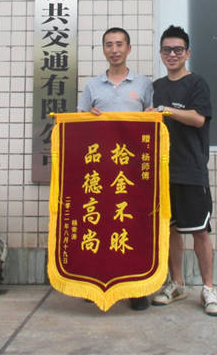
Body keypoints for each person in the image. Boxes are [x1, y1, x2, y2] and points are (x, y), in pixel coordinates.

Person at [148, 25, 217, 317]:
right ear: (160, 53)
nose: (172, 54)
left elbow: (198, 118)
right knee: (170, 231)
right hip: (161, 172)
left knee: (199, 231)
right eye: (167, 50)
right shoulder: (155, 87)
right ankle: (176, 284)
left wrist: (165, 110)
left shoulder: (197, 84)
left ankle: (209, 288)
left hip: (191, 170)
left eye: (178, 49)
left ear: (187, 53)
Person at [77, 26, 153, 310]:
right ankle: (93, 282)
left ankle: (136, 289)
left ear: (129, 49)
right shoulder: (92, 86)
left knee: (133, 226)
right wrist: (89, 117)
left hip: (133, 173)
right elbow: (79, 124)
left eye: (119, 44)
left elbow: (154, 122)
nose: (114, 50)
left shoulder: (144, 84)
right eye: (109, 45)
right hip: (101, 172)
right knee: (98, 224)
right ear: (103, 50)